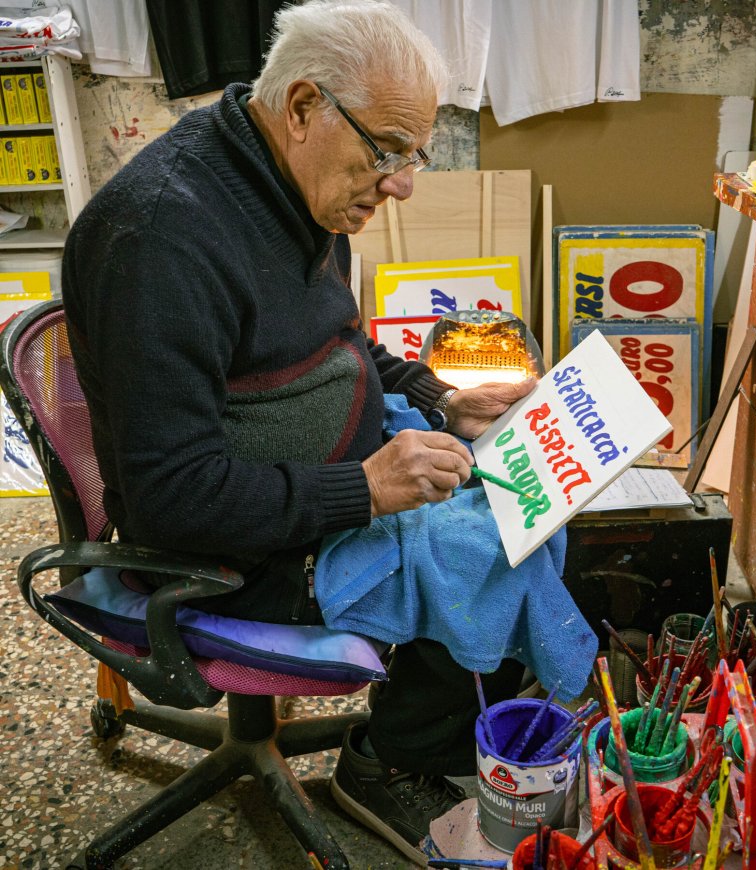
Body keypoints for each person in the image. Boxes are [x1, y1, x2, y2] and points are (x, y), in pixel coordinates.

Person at [61, 0, 540, 864]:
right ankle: (388, 762)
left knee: (518, 495)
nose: (400, 183)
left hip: (313, 476)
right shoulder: (163, 240)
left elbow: (339, 348)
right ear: (303, 105)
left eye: (414, 156)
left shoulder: (300, 190)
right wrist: (368, 489)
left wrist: (437, 399)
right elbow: (173, 499)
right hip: (224, 555)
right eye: (386, 152)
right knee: (492, 551)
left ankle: (441, 713)